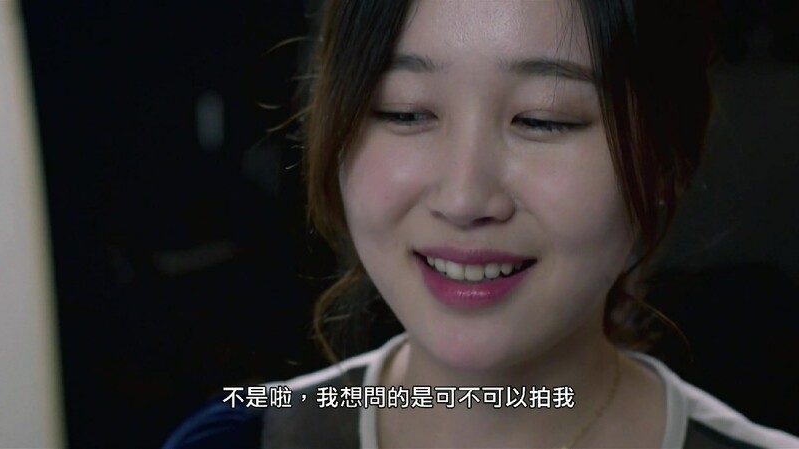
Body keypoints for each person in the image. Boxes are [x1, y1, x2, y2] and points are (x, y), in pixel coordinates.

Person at [164, 0, 799, 448]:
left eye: (544, 119)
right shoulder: (242, 434)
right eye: (405, 112)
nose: (465, 197)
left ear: (668, 162)